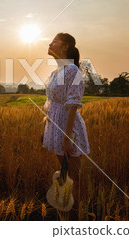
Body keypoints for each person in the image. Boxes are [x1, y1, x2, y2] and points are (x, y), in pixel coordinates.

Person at [42, 32, 90, 190]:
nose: (50, 44)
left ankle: (79, 210)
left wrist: (67, 138)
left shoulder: (72, 71)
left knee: (75, 178)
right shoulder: (55, 72)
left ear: (65, 47)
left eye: (54, 42)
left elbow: (73, 104)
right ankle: (68, 210)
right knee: (67, 176)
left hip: (68, 129)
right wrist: (45, 128)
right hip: (55, 127)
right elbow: (50, 102)